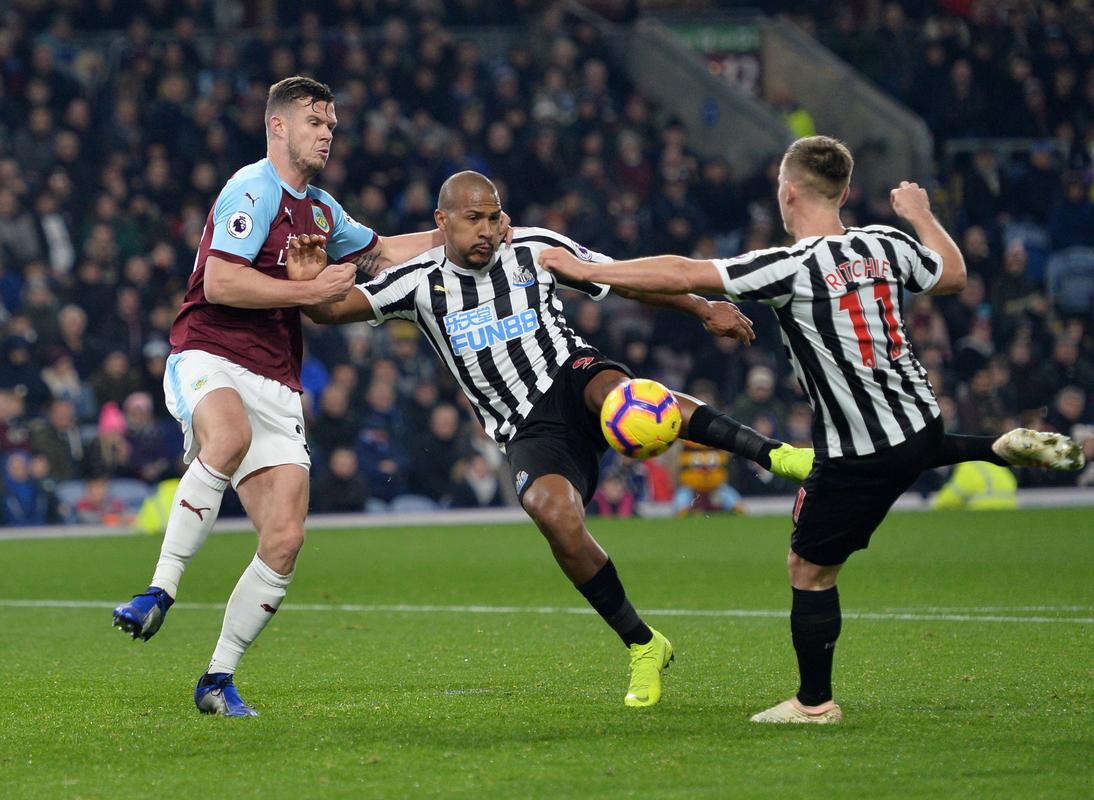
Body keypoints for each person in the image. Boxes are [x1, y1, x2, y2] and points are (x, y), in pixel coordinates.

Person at [539, 135, 1085, 723]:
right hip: (921, 419)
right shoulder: (886, 244)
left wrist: (581, 268)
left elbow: (680, 273)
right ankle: (996, 447)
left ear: (787, 191)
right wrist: (922, 214)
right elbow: (952, 274)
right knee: (911, 451)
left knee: (809, 569)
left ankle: (814, 703)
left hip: (859, 452)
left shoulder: (788, 266)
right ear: (846, 192)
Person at [293, 170, 814, 708]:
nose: (487, 230)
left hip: (570, 376)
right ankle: (643, 644)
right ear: (441, 222)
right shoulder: (418, 281)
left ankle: (779, 455)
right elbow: (332, 310)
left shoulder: (536, 249)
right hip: (525, 428)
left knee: (624, 397)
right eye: (473, 219)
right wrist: (307, 283)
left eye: (494, 216)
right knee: (555, 515)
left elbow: (625, 279)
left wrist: (704, 309)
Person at [110, 76, 448, 717]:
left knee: (286, 538)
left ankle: (216, 679)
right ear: (278, 126)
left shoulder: (320, 210)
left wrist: (452, 237)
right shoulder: (252, 188)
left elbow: (379, 254)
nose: (326, 132)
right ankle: (159, 590)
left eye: (331, 123)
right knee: (227, 437)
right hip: (209, 353)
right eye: (314, 120)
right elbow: (223, 281)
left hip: (277, 379)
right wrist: (309, 292)